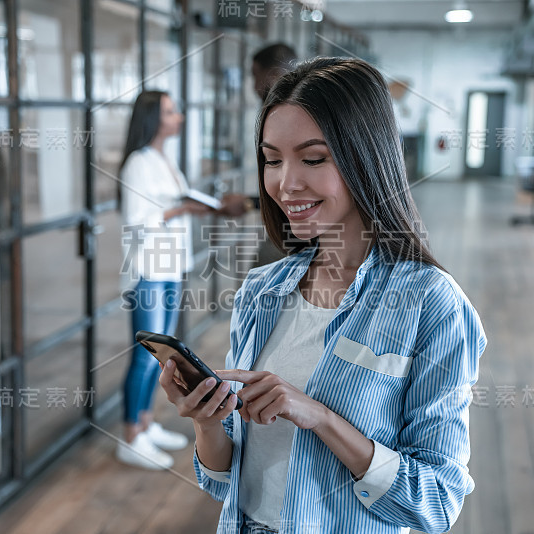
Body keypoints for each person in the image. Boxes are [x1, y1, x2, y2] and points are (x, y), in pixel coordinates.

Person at [158, 58, 487, 534]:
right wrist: (207, 422)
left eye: (312, 158)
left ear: (365, 157)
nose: (285, 183)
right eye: (272, 160)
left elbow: (436, 502)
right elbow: (226, 481)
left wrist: (321, 419)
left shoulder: (431, 304)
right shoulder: (261, 291)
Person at [117, 90, 213, 470]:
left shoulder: (165, 160)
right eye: (171, 111)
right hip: (149, 273)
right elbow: (137, 221)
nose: (179, 117)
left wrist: (188, 206)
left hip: (171, 269)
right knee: (144, 358)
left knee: (161, 359)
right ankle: (130, 437)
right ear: (152, 117)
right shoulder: (137, 164)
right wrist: (182, 208)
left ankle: (146, 424)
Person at [218, 43, 297, 218]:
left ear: (274, 75)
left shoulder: (294, 122)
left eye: (256, 76)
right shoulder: (283, 118)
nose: (255, 88)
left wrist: (248, 203)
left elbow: (296, 192)